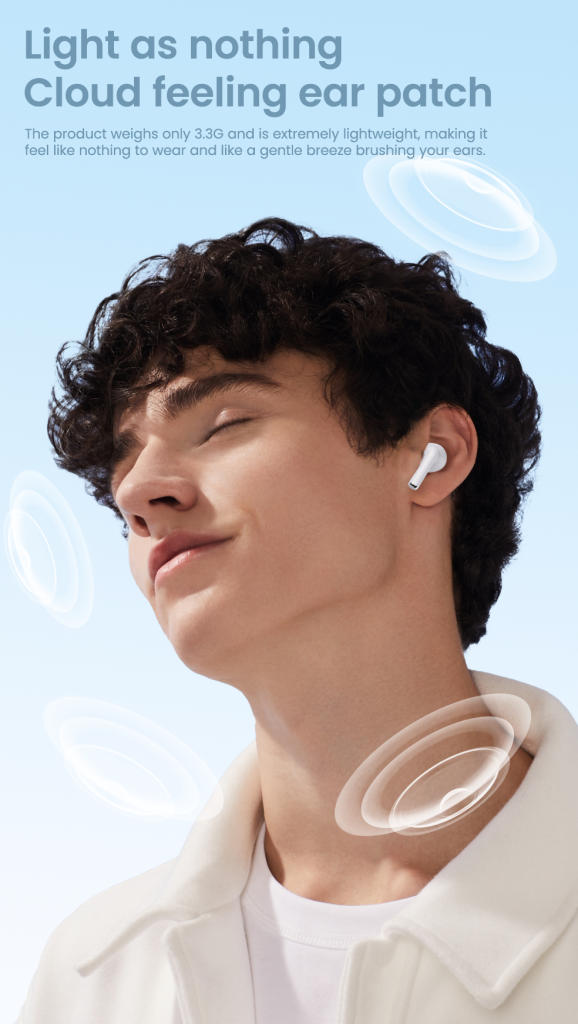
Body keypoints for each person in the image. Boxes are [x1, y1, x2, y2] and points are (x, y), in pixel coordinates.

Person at [18, 219, 578, 1023]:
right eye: (122, 475)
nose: (139, 494)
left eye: (223, 425)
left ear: (432, 455)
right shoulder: (91, 977)